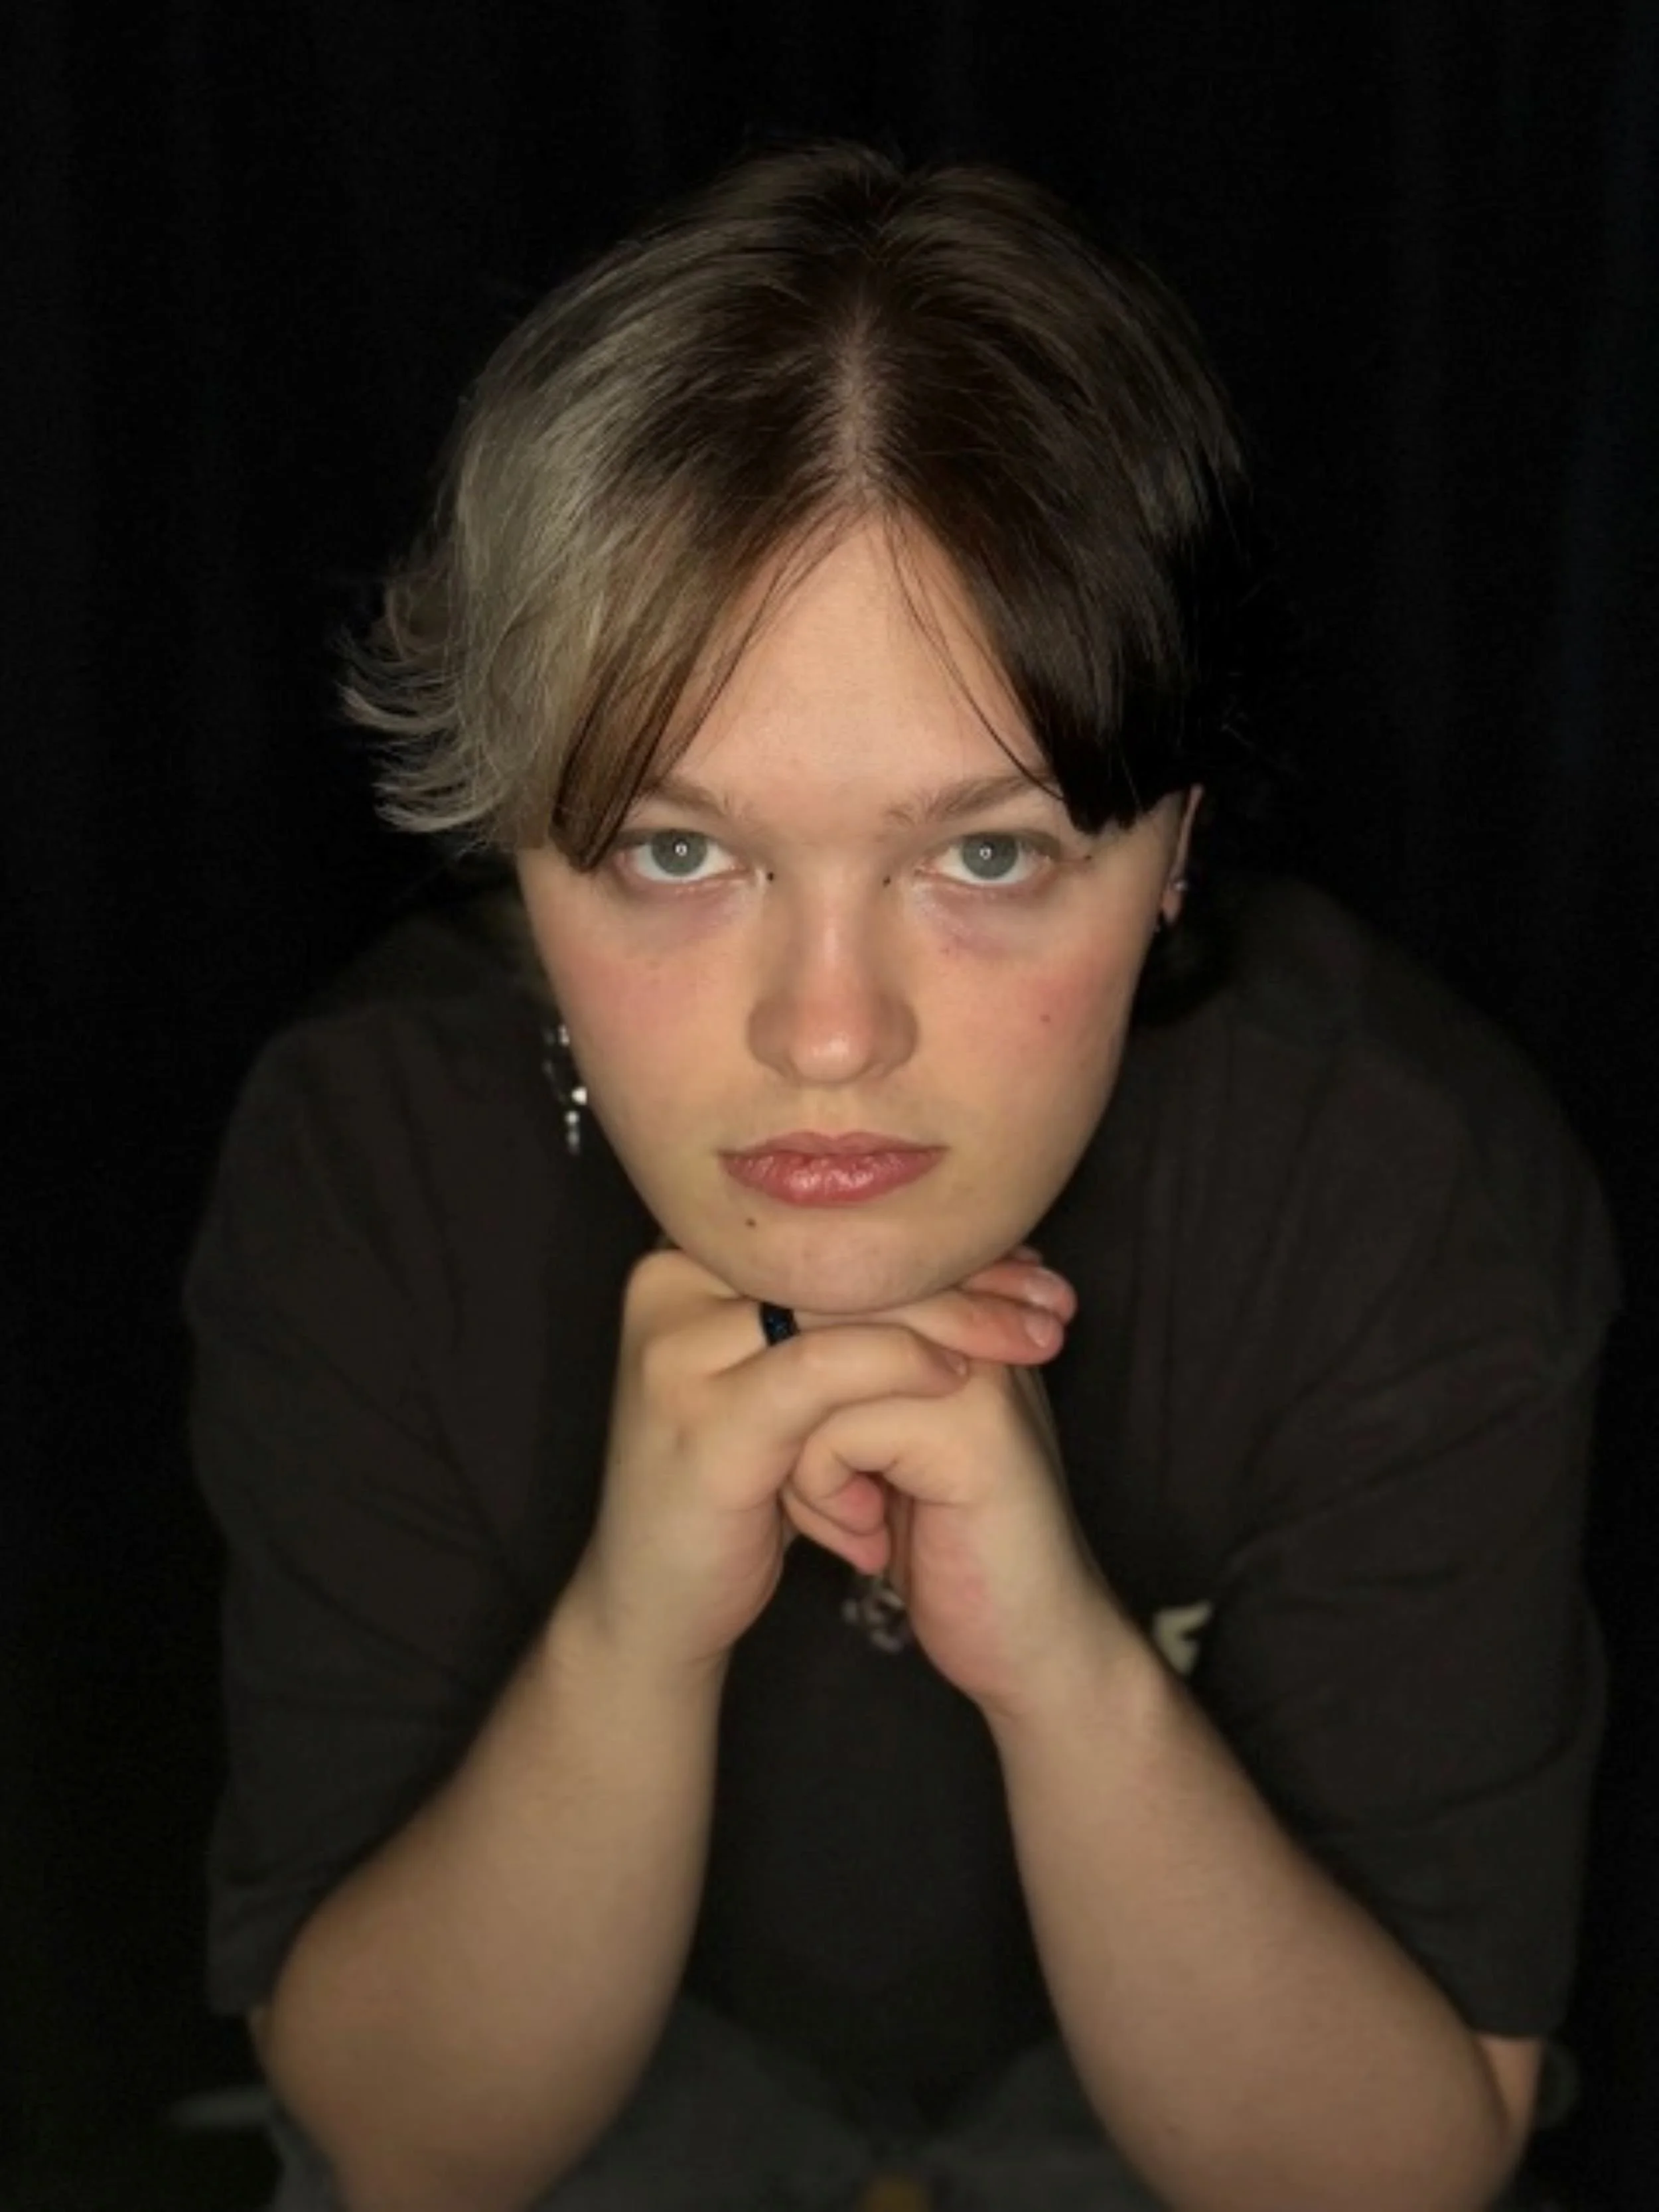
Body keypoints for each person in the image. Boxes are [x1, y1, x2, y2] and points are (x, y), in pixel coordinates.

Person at [186, 142, 1617, 2212]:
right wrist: (630, 1633)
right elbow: (407, 2148)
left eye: (985, 854)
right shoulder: (369, 1161)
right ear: (516, 844)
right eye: (681, 851)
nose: (828, 1031)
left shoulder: (1402, 1191)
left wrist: (1060, 1657)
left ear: (1173, 845)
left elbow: (1385, 2171)